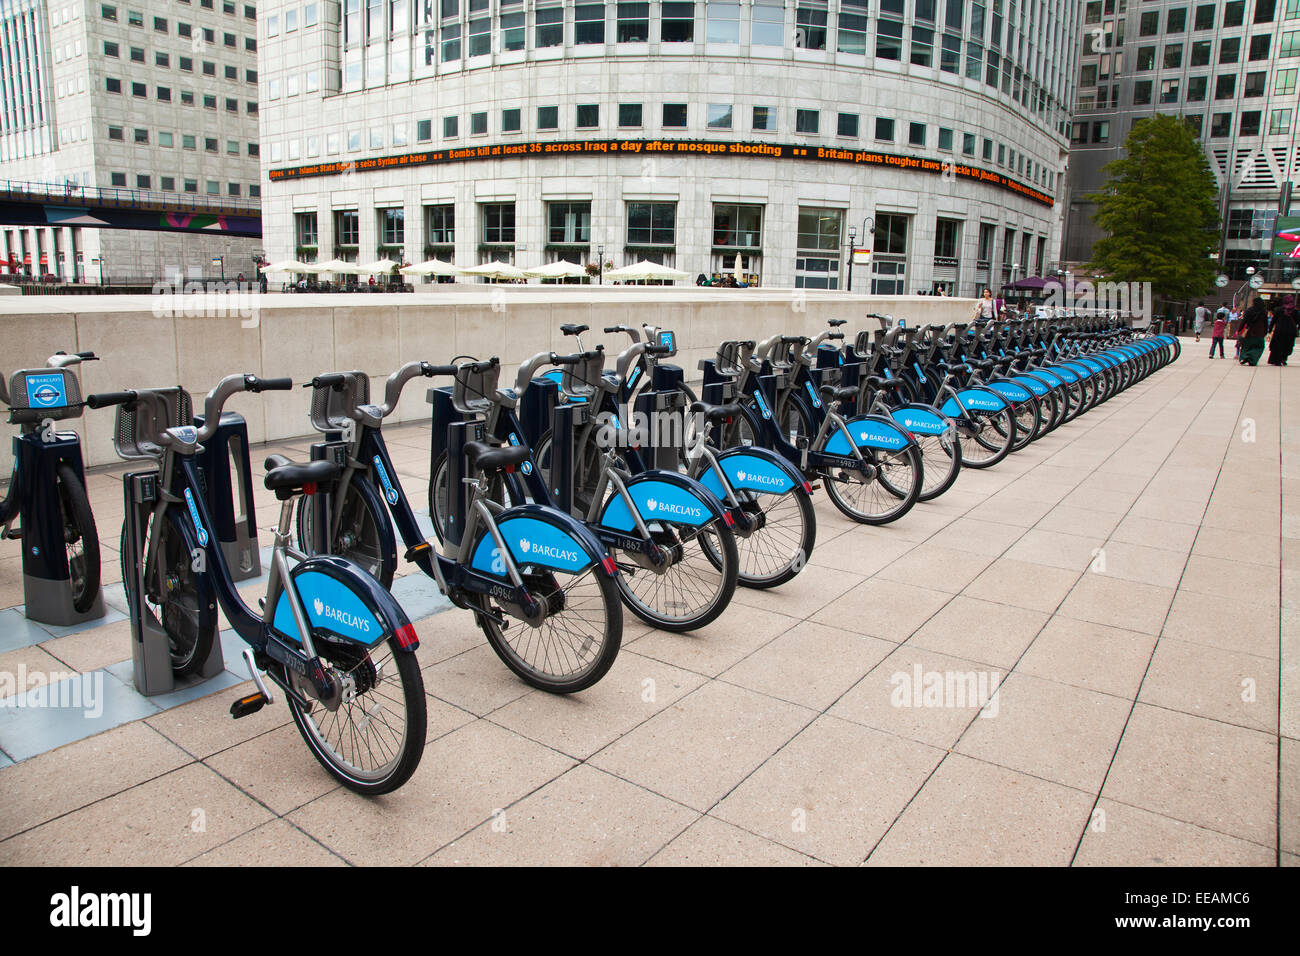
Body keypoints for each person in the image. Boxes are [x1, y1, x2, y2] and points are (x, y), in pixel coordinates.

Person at [1268, 295, 1297, 367]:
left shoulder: (1279, 309)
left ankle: (1276, 360)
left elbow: (1273, 320)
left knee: (1277, 345)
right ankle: (1284, 359)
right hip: (1290, 331)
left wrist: (1270, 329)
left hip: (1279, 330)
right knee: (1287, 345)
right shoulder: (1295, 310)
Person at [1239, 299, 1269, 366]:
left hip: (1249, 331)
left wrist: (1239, 329)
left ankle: (1245, 356)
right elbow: (1266, 323)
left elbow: (1244, 321)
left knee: (1246, 345)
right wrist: (1266, 331)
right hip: (1259, 332)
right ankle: (1252, 359)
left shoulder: (1249, 310)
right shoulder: (1264, 312)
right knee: (1259, 347)